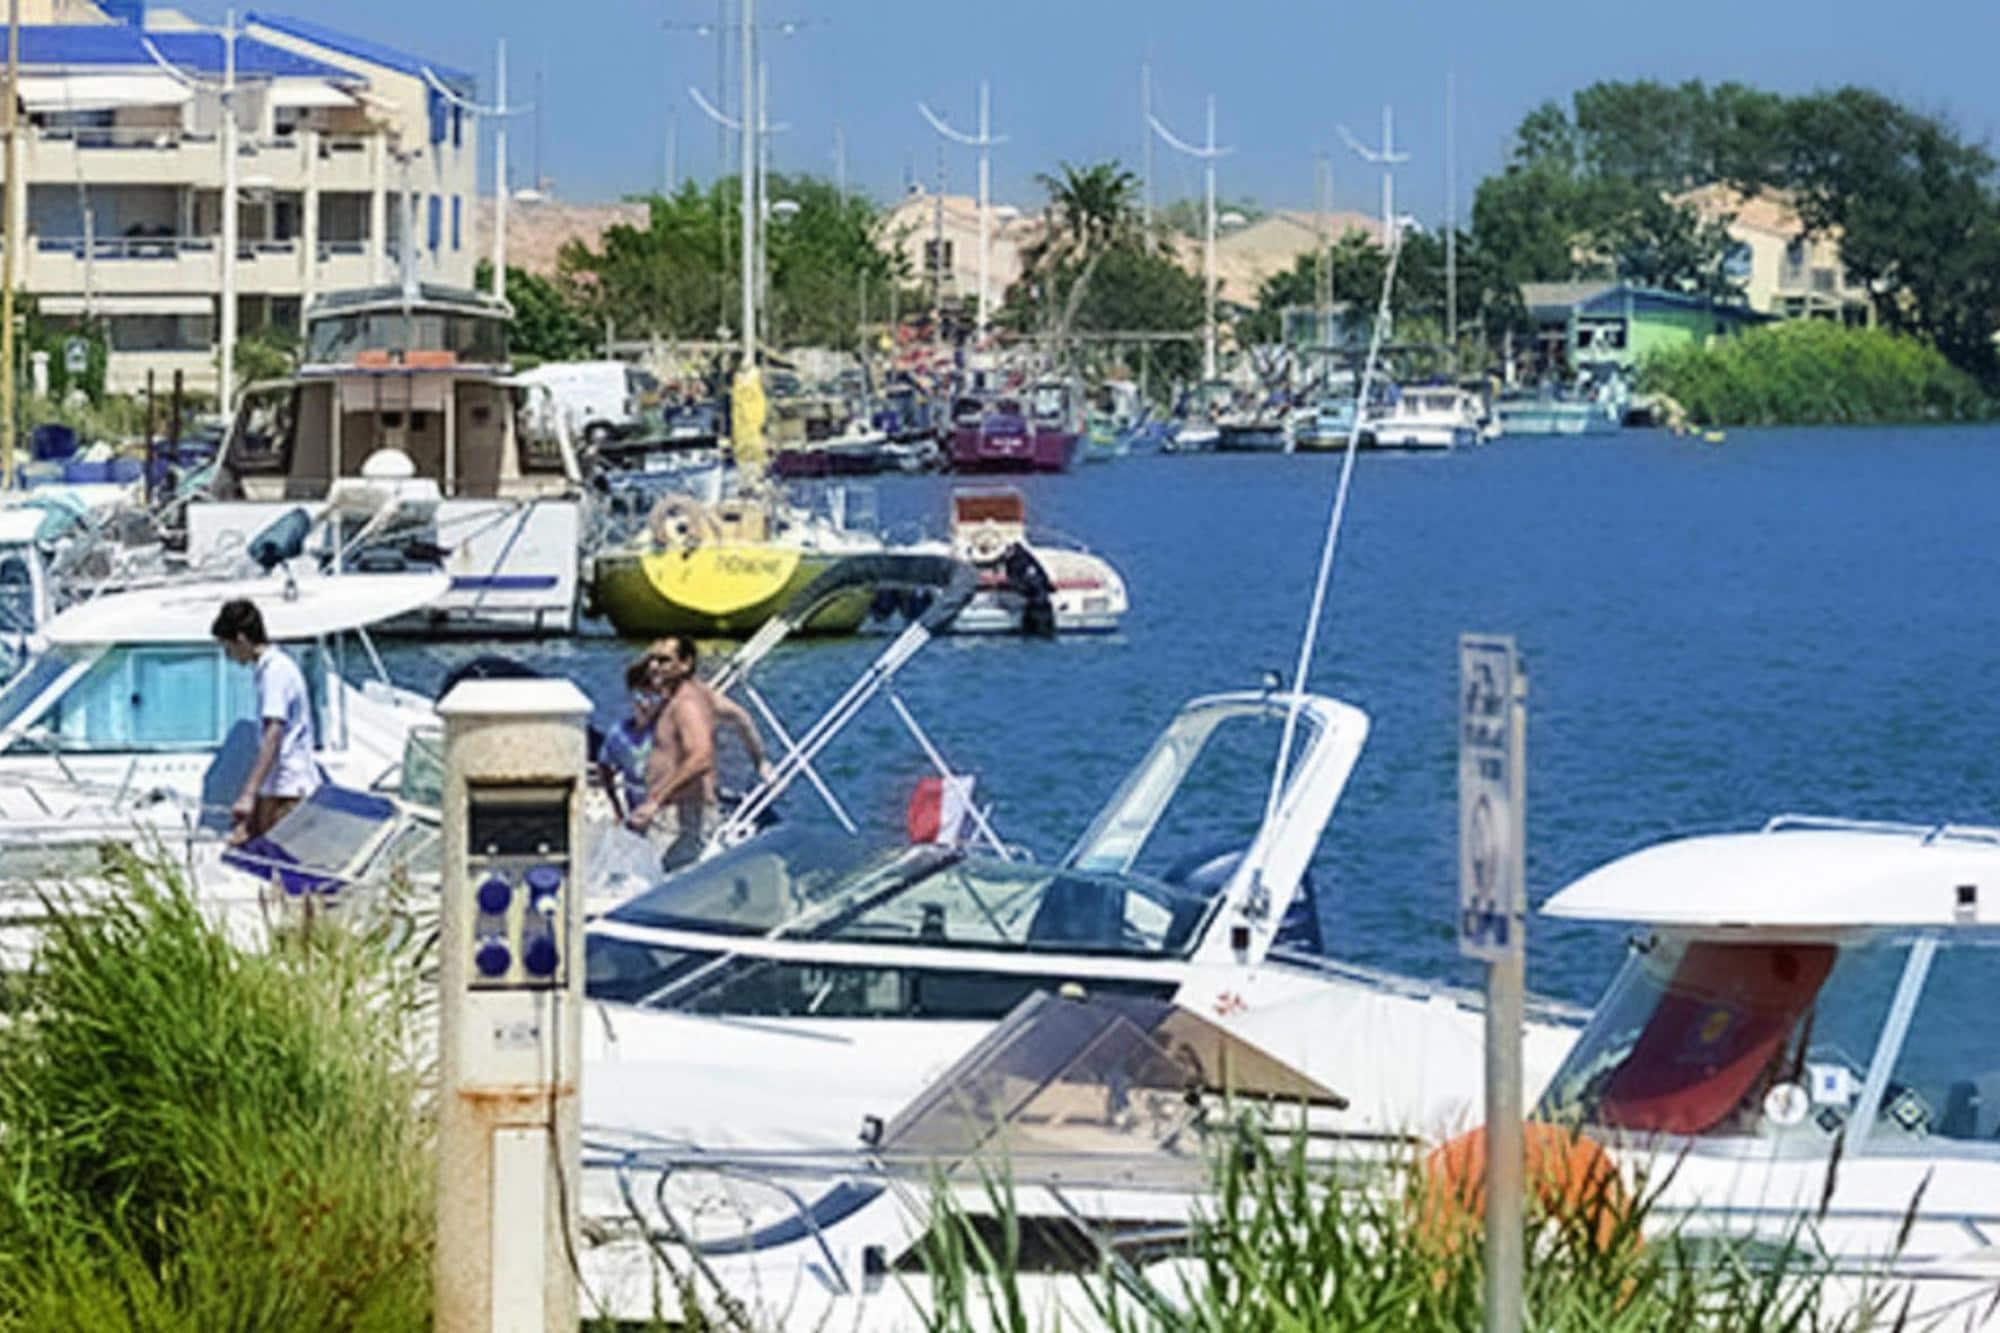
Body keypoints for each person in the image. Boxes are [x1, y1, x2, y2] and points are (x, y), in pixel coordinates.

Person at [628, 635, 769, 872]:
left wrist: (654, 801)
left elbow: (701, 757)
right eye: (651, 659)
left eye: (664, 661)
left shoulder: (687, 705)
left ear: (685, 664)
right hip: (678, 812)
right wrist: (761, 761)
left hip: (680, 818)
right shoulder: (701, 695)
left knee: (663, 884)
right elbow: (742, 718)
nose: (653, 666)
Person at [211, 598, 319, 844]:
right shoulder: (269, 669)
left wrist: (248, 794)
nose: (228, 656)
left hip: (288, 788)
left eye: (228, 647)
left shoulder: (275, 672)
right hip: (276, 786)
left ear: (241, 639)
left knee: (279, 860)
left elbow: (273, 733)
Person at [596, 659, 659, 824]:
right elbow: (604, 766)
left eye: (653, 697)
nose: (645, 704)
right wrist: (616, 806)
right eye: (640, 695)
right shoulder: (619, 734)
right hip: (635, 813)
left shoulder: (667, 732)